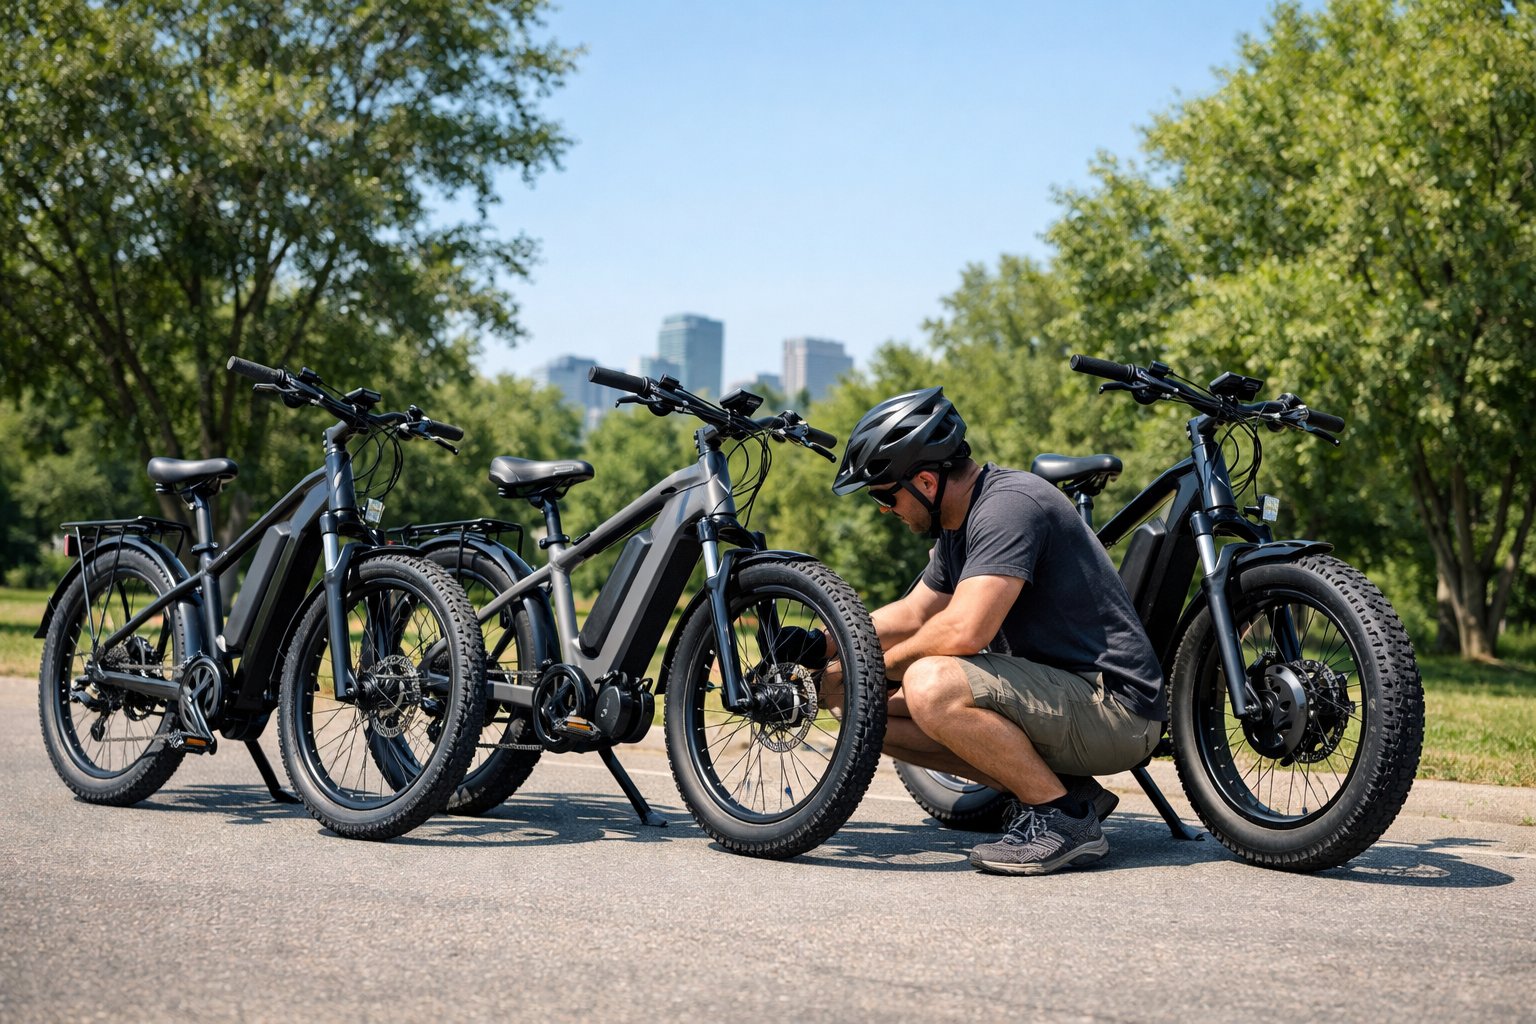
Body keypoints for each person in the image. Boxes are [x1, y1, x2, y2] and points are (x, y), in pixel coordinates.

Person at [826, 386, 1165, 876]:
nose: (884, 509)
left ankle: (1062, 819)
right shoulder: (956, 526)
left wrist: (868, 666)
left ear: (924, 480)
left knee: (930, 684)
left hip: (1115, 709)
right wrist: (828, 642)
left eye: (885, 494)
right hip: (1066, 701)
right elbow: (914, 613)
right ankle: (1069, 793)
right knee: (856, 706)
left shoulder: (1008, 506)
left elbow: (965, 629)